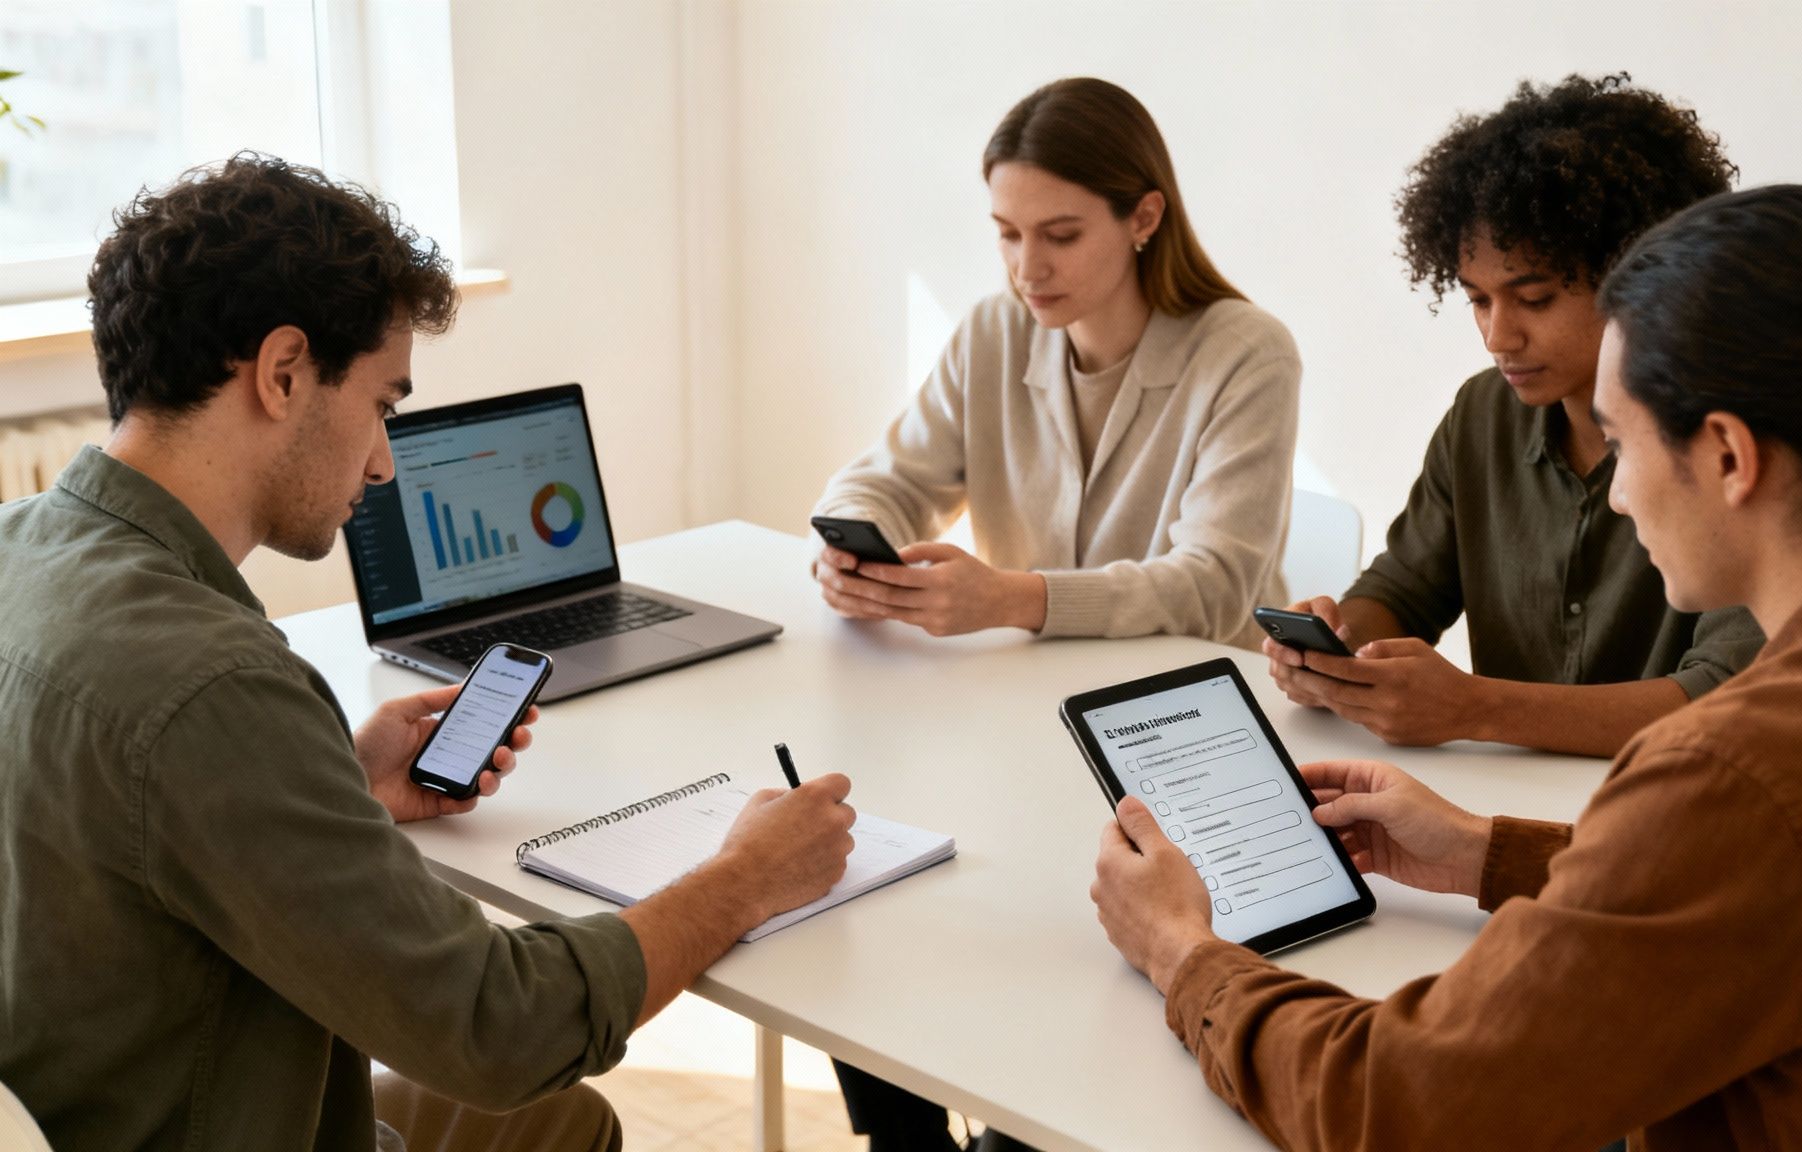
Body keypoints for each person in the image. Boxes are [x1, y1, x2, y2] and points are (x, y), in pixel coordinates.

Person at [1092, 183, 1802, 1148]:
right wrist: (1490, 853)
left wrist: (1184, 953)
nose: (1619, 494)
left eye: (1625, 442)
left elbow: (1402, 1108)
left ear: (1727, 455)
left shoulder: (1740, 775)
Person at [0, 153, 859, 1152]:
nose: (383, 459)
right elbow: (501, 1030)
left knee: (562, 1124)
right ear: (282, 373)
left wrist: (338, 786)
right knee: (546, 1108)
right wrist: (743, 876)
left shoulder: (21, 547)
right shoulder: (215, 688)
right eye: (383, 404)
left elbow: (117, 838)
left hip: (76, 1104)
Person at [1267, 74, 1763, 757]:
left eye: (1533, 299)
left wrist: (1478, 708)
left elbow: (1727, 697)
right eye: (1477, 300)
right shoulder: (1483, 415)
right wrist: (1337, 651)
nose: (1498, 336)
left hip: (1671, 809)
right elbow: (1405, 589)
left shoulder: (1735, 440)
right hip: (1501, 808)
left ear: (1640, 275)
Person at [811, 76, 1299, 651]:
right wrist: (847, 553)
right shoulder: (994, 332)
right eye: (1008, 234)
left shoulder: (1248, 355)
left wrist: (1008, 599)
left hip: (1187, 709)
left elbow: (1212, 587)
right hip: (1029, 689)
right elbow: (888, 484)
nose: (1027, 269)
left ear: (1143, 218)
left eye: (1060, 236)